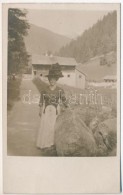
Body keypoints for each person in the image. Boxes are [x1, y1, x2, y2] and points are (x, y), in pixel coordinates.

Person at [36, 63, 68, 151]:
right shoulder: (44, 90)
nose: (52, 81)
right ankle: (45, 144)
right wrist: (40, 109)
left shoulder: (60, 90)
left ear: (56, 80)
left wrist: (67, 107)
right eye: (50, 79)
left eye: (54, 79)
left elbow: (64, 100)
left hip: (55, 111)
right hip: (46, 110)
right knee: (45, 126)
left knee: (53, 127)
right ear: (49, 80)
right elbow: (41, 100)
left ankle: (52, 144)